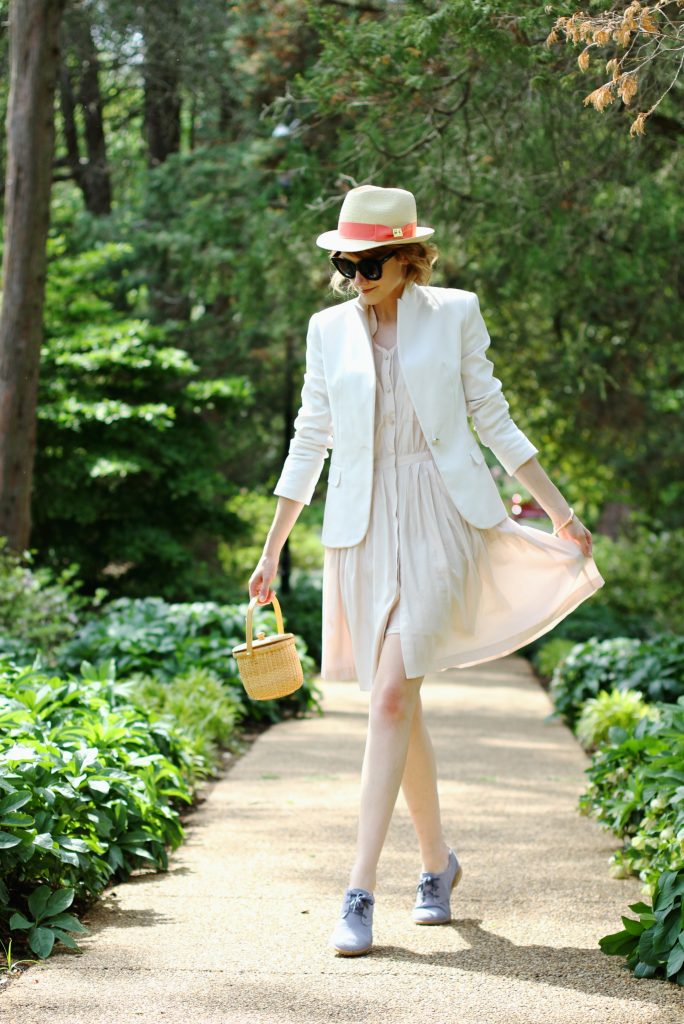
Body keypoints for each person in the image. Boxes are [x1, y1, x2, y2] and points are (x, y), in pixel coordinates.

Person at [249, 184, 605, 957]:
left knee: (387, 699)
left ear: (408, 257)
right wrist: (273, 546)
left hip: (444, 515)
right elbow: (311, 438)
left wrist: (560, 511)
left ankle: (359, 889)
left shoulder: (457, 314)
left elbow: (493, 418)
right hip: (361, 526)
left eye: (369, 261)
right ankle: (438, 865)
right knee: (397, 704)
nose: (355, 276)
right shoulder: (326, 331)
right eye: (345, 264)